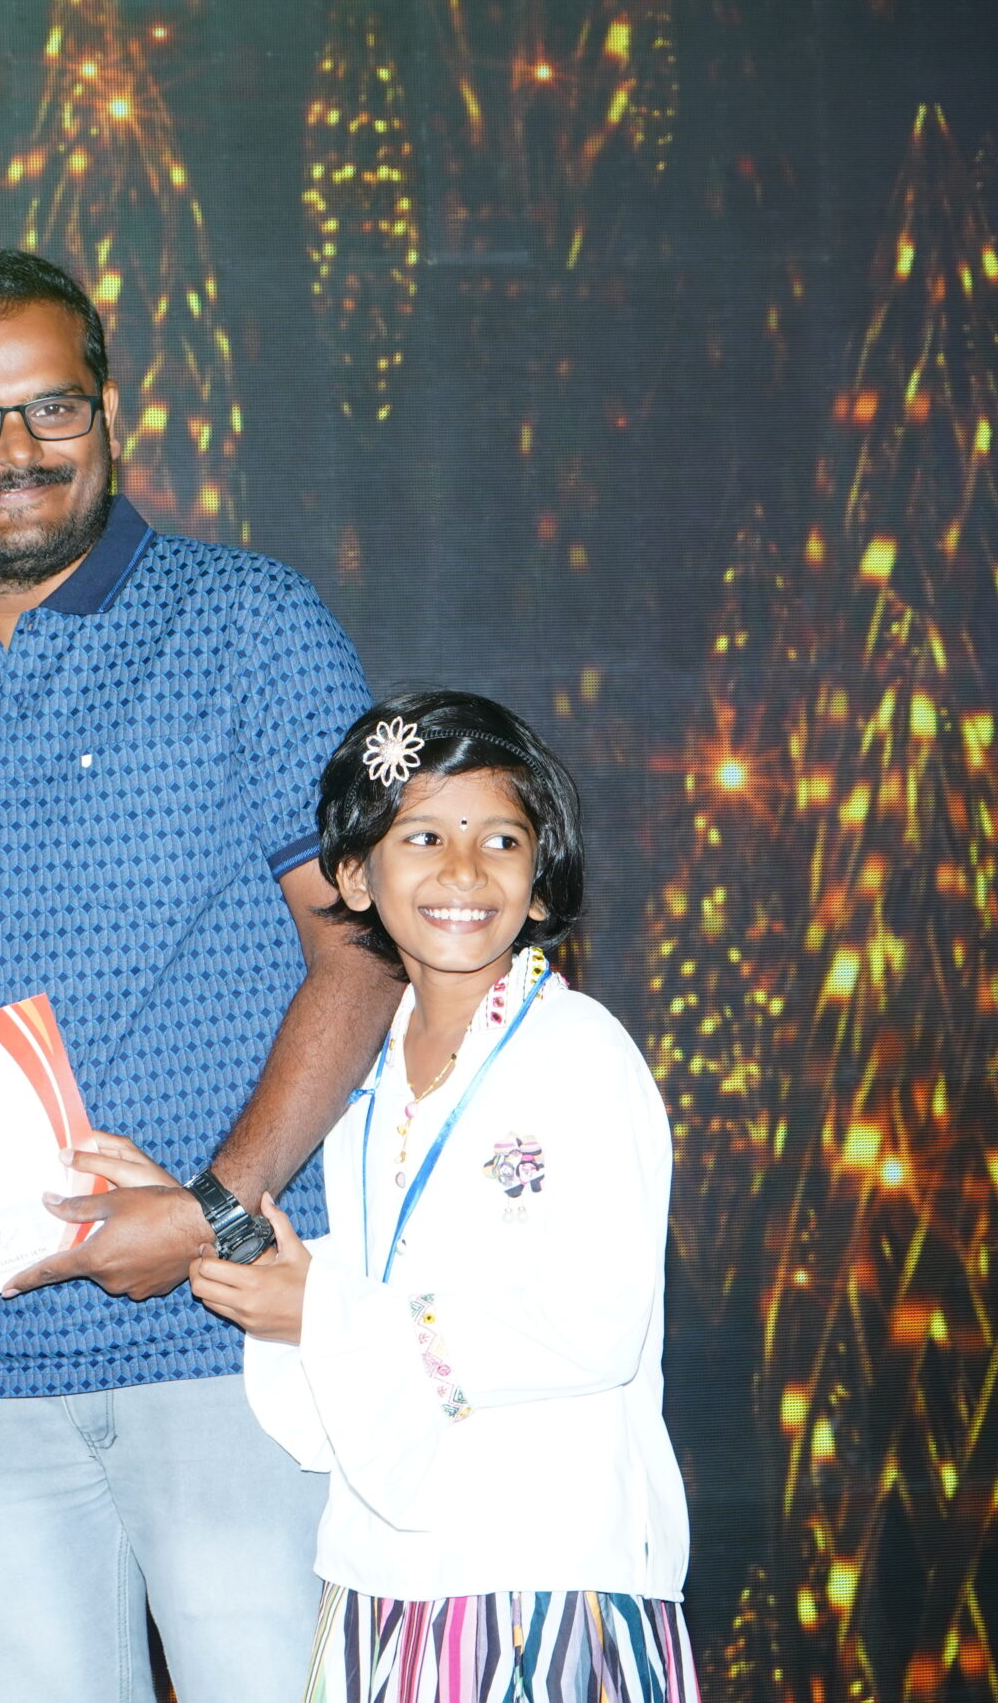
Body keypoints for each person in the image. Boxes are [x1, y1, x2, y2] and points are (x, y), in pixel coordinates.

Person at [0, 246, 398, 1703]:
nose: (16, 450)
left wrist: (211, 1210)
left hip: (236, 1326)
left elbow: (360, 949)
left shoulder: (251, 623)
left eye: (52, 407)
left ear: (108, 415)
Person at [124, 688, 698, 1700]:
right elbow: (358, 1285)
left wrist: (327, 1312)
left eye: (501, 840)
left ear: (541, 879)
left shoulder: (579, 1053)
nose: (464, 871)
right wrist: (225, 1242)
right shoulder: (367, 1085)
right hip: (387, 1572)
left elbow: (596, 1321)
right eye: (424, 836)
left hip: (545, 1567)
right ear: (354, 874)